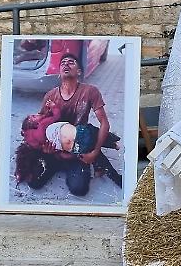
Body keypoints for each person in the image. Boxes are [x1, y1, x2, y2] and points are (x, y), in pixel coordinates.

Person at [28, 51, 121, 196]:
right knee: (33, 182)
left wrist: (94, 152)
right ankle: (57, 164)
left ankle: (97, 160)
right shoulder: (50, 95)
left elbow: (104, 123)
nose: (66, 64)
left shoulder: (90, 91)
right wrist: (45, 149)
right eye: (63, 63)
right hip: (55, 151)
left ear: (79, 71)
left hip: (78, 148)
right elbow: (40, 125)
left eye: (71, 62)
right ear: (59, 73)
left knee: (79, 189)